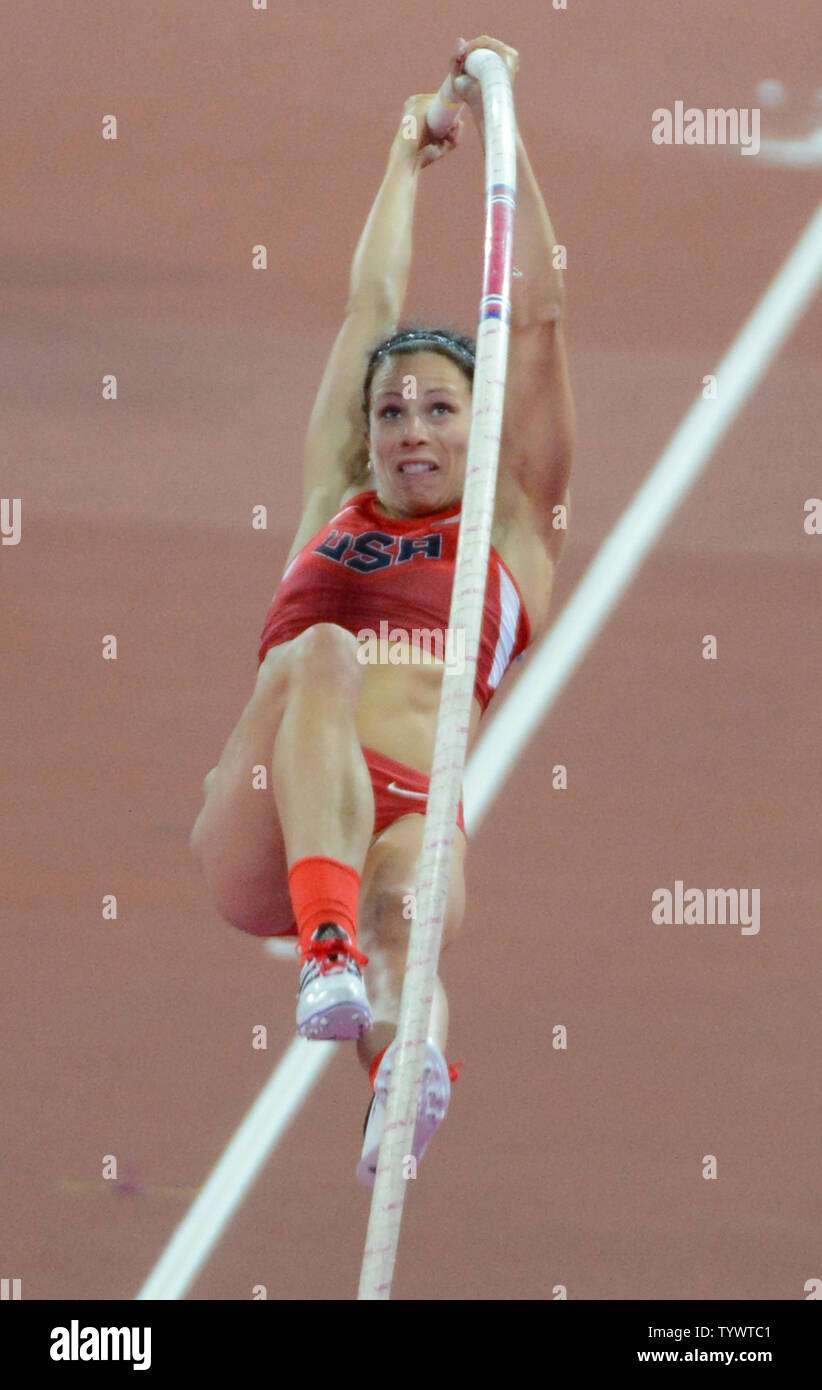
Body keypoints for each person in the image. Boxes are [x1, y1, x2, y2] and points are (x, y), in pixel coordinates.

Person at [190, 35, 575, 1184]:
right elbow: (371, 301)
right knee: (317, 653)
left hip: (413, 814)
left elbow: (542, 319)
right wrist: (409, 155)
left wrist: (512, 141)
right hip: (267, 816)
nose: (412, 427)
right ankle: (322, 951)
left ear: (480, 426)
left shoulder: (512, 536)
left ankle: (401, 1078)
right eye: (395, 410)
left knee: (410, 916)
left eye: (441, 410)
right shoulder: (333, 494)